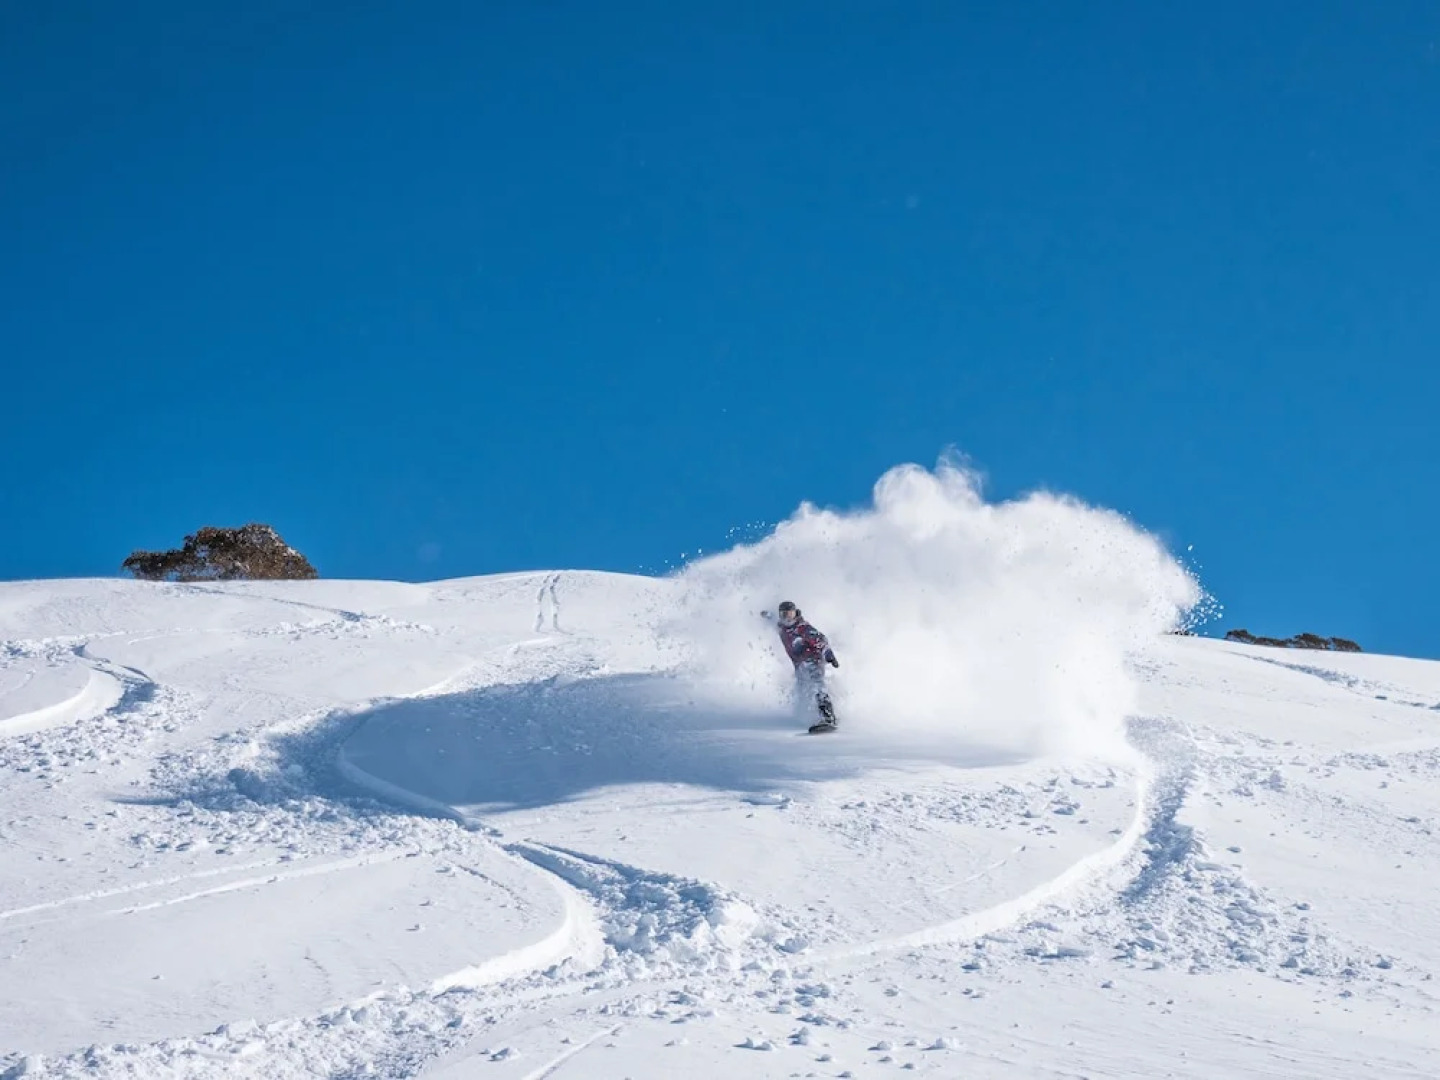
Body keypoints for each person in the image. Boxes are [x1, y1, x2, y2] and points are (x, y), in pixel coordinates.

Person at [766, 601, 840, 732]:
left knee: (817, 685)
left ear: (796, 613)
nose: (788, 617)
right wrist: (766, 615)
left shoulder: (803, 628)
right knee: (804, 689)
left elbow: (821, 640)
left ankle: (828, 717)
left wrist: (829, 656)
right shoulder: (781, 627)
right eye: (784, 614)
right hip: (799, 666)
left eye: (791, 614)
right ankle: (816, 715)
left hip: (813, 661)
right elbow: (772, 620)